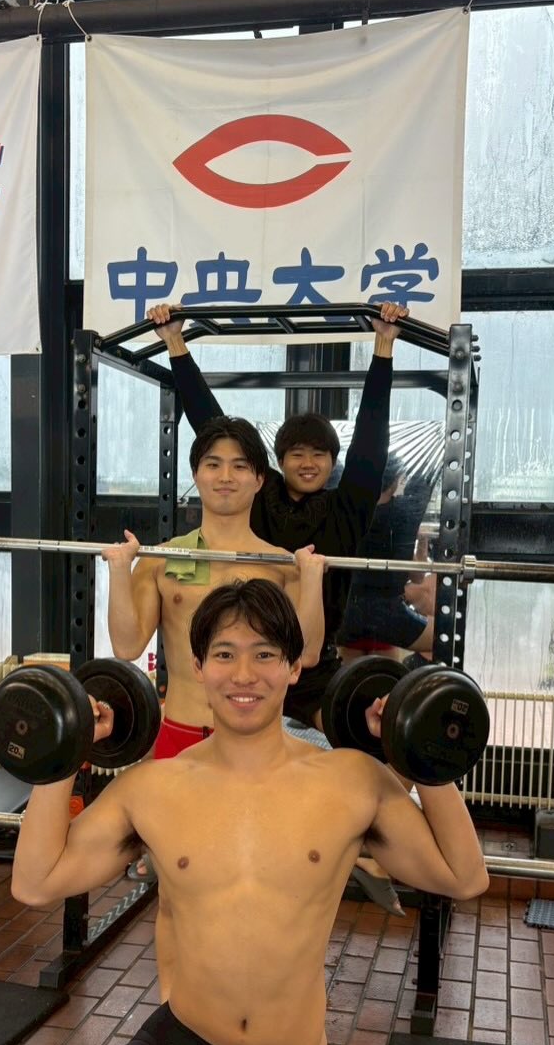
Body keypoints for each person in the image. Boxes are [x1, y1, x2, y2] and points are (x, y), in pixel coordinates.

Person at [3, 579, 488, 1045]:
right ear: (197, 667)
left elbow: (463, 876)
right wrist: (62, 751)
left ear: (295, 665)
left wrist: (423, 753)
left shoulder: (352, 782)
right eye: (225, 654)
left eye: (264, 654)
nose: (244, 673)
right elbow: (36, 882)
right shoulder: (152, 787)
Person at [148, 301, 409, 728]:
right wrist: (175, 342)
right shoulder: (259, 492)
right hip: (251, 661)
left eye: (319, 455)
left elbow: (370, 444)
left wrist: (383, 347)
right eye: (296, 454)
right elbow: (212, 424)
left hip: (311, 665)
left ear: (332, 462)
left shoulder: (346, 510)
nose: (308, 463)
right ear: (277, 462)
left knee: (364, 737)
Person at [102, 415, 326, 760]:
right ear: (196, 474)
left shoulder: (284, 566)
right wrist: (119, 570)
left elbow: (307, 654)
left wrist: (312, 580)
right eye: (213, 464)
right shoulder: (159, 560)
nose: (225, 477)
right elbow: (127, 646)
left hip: (257, 741)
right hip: (181, 733)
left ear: (259, 479)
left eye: (239, 466)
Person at [336, 458, 435, 659]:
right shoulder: (404, 517)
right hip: (388, 616)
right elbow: (417, 578)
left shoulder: (344, 511)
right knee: (443, 636)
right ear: (396, 481)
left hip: (347, 618)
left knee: (351, 678)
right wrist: (420, 540)